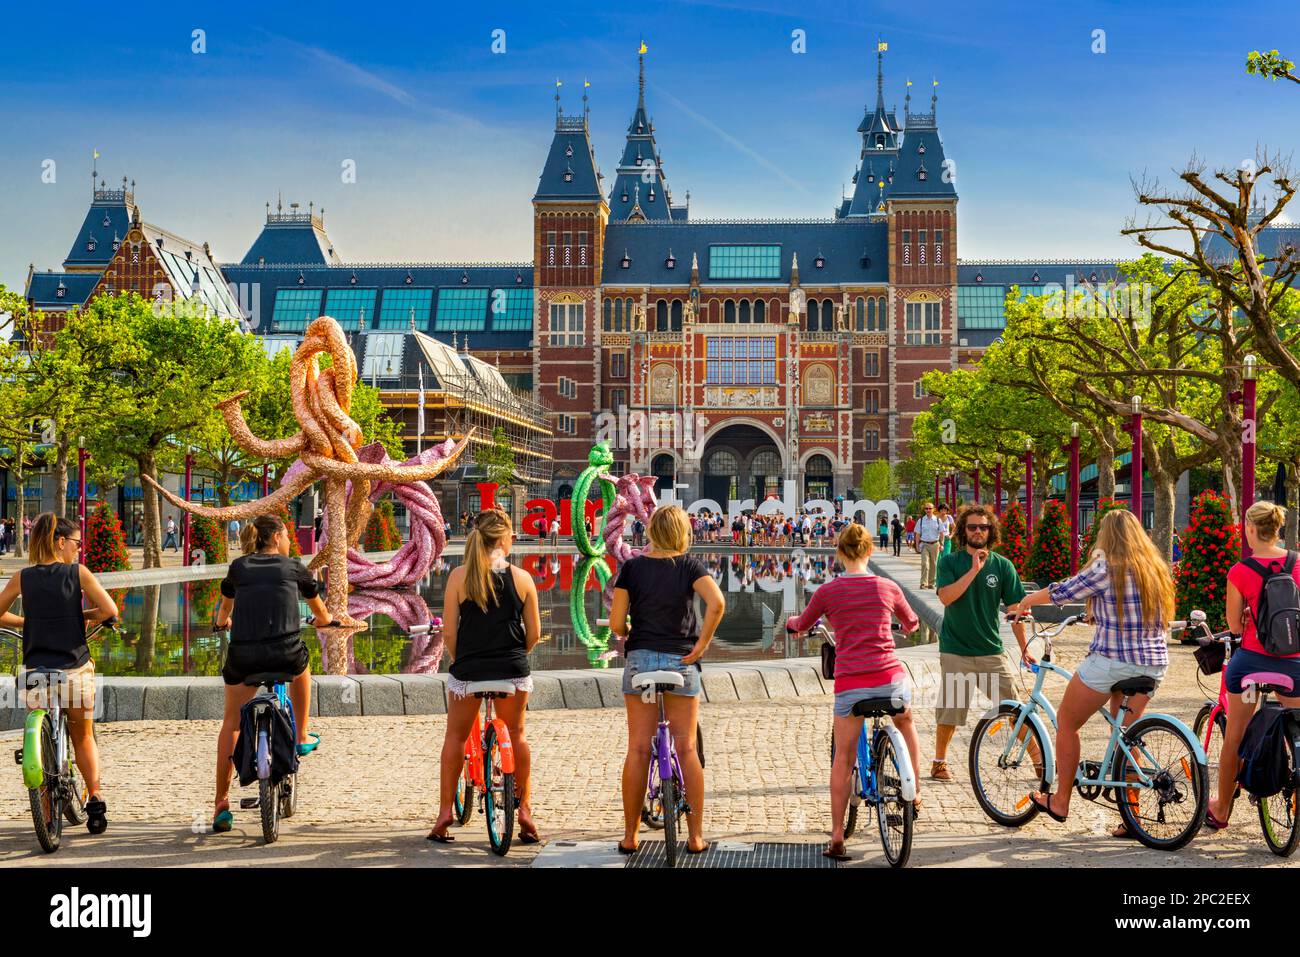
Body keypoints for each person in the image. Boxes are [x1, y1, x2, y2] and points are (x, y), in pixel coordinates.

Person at [1011, 508, 1172, 834]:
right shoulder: (1154, 569)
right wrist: (1098, 616)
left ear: (1106, 536)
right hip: (1154, 663)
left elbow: (1064, 591)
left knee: (1068, 723)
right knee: (1127, 738)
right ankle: (1133, 818)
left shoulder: (1106, 566)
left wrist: (1026, 600)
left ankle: (1060, 802)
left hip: (1113, 661)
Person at [785, 522, 921, 860]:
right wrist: (902, 625)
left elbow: (801, 625)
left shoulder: (827, 593)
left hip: (851, 684)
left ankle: (836, 837)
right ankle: (914, 790)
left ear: (839, 552)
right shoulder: (888, 588)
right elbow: (913, 622)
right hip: (889, 679)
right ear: (870, 550)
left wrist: (792, 624)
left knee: (843, 758)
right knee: (906, 720)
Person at [608, 505, 725, 855]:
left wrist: (627, 630)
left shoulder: (632, 567)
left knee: (638, 748)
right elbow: (717, 603)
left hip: (641, 661)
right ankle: (695, 836)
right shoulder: (689, 566)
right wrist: (701, 645)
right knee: (687, 747)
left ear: (652, 533)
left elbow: (616, 623)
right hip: (682, 662)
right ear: (682, 533)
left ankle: (630, 835)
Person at [211, 514, 334, 833]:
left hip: (244, 657)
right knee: (303, 668)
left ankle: (221, 804)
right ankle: (303, 735)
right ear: (277, 537)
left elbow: (225, 610)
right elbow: (320, 612)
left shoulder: (238, 568)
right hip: (285, 653)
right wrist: (324, 620)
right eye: (287, 535)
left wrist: (224, 622)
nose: (290, 540)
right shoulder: (294, 568)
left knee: (231, 723)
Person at [429, 508, 543, 844]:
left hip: (469, 670)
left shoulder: (458, 577)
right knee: (518, 735)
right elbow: (534, 633)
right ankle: (524, 810)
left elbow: (449, 633)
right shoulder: (522, 578)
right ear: (504, 540)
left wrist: (460, 660)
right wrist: (516, 655)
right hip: (511, 670)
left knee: (455, 737)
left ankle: (445, 813)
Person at [0, 513, 118, 835]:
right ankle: (94, 798)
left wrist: (27, 622)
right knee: (82, 735)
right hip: (74, 670)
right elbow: (111, 611)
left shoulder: (22, 578)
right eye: (77, 544)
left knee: (40, 732)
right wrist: (81, 616)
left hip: (37, 674)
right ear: (61, 542)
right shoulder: (77, 573)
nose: (79, 550)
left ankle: (47, 815)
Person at [1207, 501, 1300, 830]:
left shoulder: (1240, 570)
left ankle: (1220, 811)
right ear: (1277, 529)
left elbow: (1233, 626)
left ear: (1249, 529)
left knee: (1234, 737)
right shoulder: (1298, 563)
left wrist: (1248, 616)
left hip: (1251, 666)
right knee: (1299, 728)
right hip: (1293, 666)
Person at [931, 503, 1033, 782]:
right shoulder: (949, 562)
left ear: (991, 531)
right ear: (963, 530)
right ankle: (939, 761)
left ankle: (1040, 761)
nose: (978, 531)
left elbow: (1015, 611)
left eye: (983, 527)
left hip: (991, 650)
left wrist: (1024, 649)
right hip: (956, 648)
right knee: (951, 709)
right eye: (972, 527)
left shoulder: (1003, 566)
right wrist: (974, 570)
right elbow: (946, 598)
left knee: (1014, 707)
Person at [915, 503, 943, 588]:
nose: (928, 510)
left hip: (935, 544)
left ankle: (931, 583)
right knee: (925, 563)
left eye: (930, 508)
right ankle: (923, 583)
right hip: (924, 544)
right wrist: (917, 546)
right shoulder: (921, 520)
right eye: (926, 508)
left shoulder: (938, 520)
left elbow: (941, 533)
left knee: (934, 564)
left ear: (933, 509)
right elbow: (917, 534)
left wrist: (942, 544)